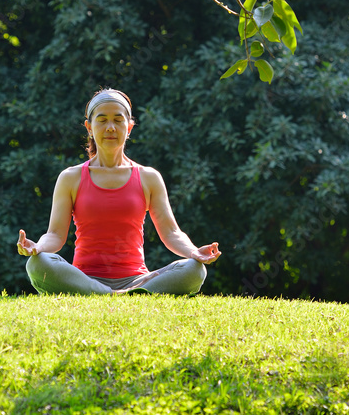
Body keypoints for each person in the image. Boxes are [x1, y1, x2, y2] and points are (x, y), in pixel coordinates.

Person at [17, 88, 221, 294]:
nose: (110, 127)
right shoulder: (71, 177)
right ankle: (114, 294)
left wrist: (194, 252)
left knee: (194, 269)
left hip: (138, 279)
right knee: (37, 264)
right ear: (89, 127)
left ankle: (117, 293)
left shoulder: (148, 177)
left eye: (118, 120)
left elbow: (172, 233)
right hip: (85, 278)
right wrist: (38, 248)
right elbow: (54, 235)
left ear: (129, 127)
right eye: (102, 120)